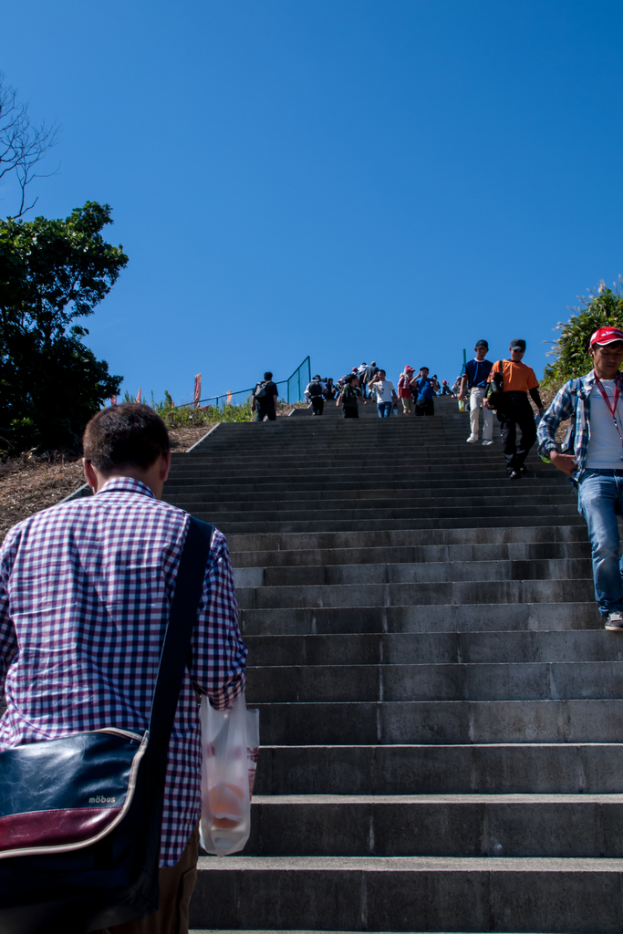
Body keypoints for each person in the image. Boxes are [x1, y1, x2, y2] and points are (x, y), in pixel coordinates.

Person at [0, 404, 247, 934]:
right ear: (166, 462)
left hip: (30, 812)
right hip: (149, 815)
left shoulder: (20, 539)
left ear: (87, 470)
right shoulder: (197, 542)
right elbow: (218, 679)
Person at [538, 325, 623, 631]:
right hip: (594, 476)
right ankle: (614, 608)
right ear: (592, 352)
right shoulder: (576, 388)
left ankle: (618, 588)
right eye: (606, 351)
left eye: (617, 352)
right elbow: (546, 422)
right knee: (604, 542)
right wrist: (552, 453)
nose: (612, 357)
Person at [484, 339, 544, 479]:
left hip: (522, 400)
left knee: (530, 434)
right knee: (508, 435)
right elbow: (491, 383)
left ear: (524, 352)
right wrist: (486, 399)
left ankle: (517, 460)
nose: (518, 353)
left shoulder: (528, 369)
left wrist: (540, 406)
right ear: (510, 350)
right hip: (505, 401)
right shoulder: (499, 365)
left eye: (521, 351)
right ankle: (512, 468)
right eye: (515, 350)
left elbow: (533, 390)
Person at [459, 339, 495, 445]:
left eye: (484, 350)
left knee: (488, 413)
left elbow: (493, 380)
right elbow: (464, 378)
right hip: (474, 389)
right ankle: (474, 433)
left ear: (487, 351)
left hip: (487, 390)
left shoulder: (490, 365)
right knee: (474, 409)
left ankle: (487, 437)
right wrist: (462, 391)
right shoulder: (470, 364)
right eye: (480, 350)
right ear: (475, 350)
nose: (482, 352)